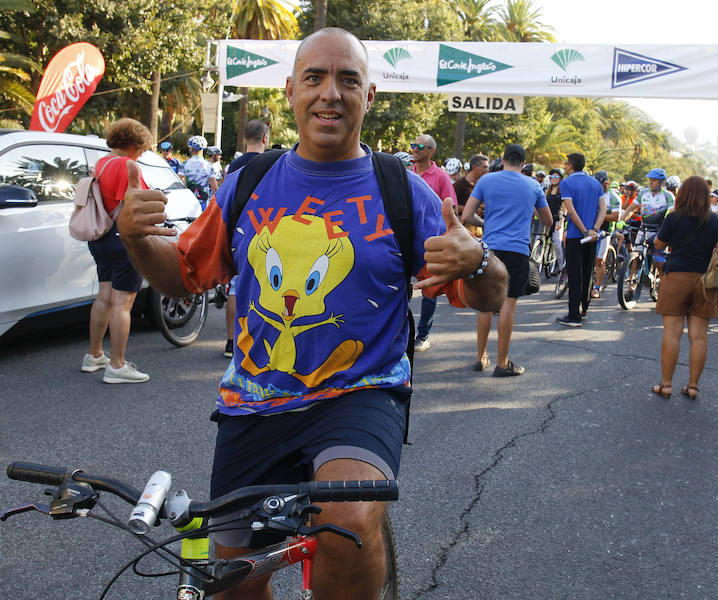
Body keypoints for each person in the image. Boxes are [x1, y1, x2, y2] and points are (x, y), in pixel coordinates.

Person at [115, 27, 506, 600]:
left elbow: (490, 295)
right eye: (315, 78)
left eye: (349, 79)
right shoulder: (245, 183)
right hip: (253, 400)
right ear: (291, 91)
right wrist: (132, 239)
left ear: (369, 97)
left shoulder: (406, 192)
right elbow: (183, 275)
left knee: (346, 521)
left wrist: (479, 259)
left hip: (360, 390)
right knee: (232, 580)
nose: (331, 93)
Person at [462, 143, 552, 375]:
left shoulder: (486, 181)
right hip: (517, 252)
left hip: (489, 251)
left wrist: (487, 223)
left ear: (502, 160)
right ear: (523, 164)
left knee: (486, 306)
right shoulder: (534, 185)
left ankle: (481, 358)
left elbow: (467, 215)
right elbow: (548, 220)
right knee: (508, 304)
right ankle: (503, 363)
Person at [81, 118, 153, 384]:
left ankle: (95, 355)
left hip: (101, 236)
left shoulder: (101, 163)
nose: (143, 153)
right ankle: (118, 365)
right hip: (123, 238)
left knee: (105, 296)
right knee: (124, 303)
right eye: (142, 147)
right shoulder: (127, 165)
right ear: (134, 142)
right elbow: (137, 201)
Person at [651, 176, 718, 399]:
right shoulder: (717, 221)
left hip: (676, 277)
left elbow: (659, 244)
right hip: (706, 281)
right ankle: (693, 387)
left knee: (672, 334)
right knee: (699, 337)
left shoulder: (674, 217)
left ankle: (666, 385)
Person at [221, 119, 270, 358]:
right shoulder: (270, 163)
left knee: (234, 287)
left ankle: (231, 341)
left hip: (237, 229)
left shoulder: (235, 164)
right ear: (264, 138)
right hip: (263, 229)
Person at [410, 132, 457, 352]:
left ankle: (423, 335)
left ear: (431, 151)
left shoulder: (440, 176)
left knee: (430, 292)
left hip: (431, 246)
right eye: (413, 145)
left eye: (420, 146)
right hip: (406, 243)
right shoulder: (406, 173)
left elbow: (451, 209)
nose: (415, 149)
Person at [556, 153, 606, 327]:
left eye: (566, 163)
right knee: (587, 272)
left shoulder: (566, 183)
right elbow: (603, 209)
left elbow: (570, 211)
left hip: (576, 236)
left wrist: (584, 230)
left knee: (575, 275)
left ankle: (573, 316)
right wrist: (594, 230)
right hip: (592, 236)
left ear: (571, 165)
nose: (565, 166)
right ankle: (584, 309)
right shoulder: (595, 183)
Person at [591, 170, 620, 297]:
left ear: (606, 184)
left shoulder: (614, 197)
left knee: (599, 261)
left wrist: (600, 216)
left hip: (606, 231)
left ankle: (597, 287)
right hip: (591, 229)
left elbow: (615, 216)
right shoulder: (592, 194)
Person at [454, 153, 488, 234]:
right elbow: (453, 206)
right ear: (474, 167)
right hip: (463, 231)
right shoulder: (459, 185)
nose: (487, 170)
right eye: (484, 167)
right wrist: (472, 209)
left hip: (480, 231)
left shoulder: (483, 184)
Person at [183, 134, 218, 210]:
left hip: (188, 201)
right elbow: (215, 187)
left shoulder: (185, 164)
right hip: (204, 201)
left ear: (191, 148)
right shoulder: (209, 165)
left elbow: (179, 182)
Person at [545, 167, 566, 276]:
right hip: (547, 218)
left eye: (556, 176)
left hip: (558, 219)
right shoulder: (547, 191)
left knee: (557, 242)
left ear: (560, 178)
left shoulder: (562, 191)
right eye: (552, 176)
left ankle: (561, 266)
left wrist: (561, 220)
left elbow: (564, 207)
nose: (554, 178)